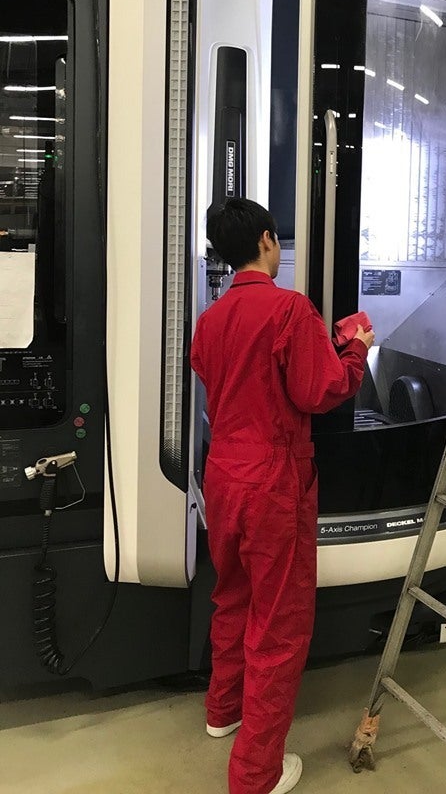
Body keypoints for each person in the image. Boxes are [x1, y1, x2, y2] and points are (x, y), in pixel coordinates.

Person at [191, 197, 374, 794]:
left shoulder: (211, 318)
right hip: (273, 481)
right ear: (268, 240)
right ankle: (256, 773)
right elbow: (321, 390)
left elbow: (212, 373)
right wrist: (355, 347)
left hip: (223, 474)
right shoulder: (290, 309)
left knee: (232, 596)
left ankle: (223, 710)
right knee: (279, 624)